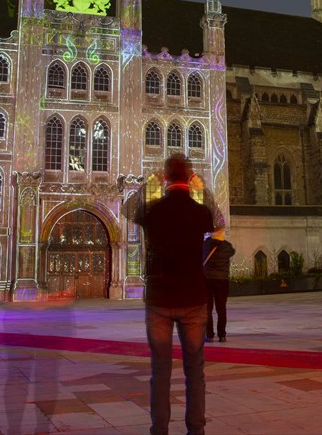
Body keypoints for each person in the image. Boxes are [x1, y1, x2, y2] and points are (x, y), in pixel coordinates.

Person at [133, 154, 215, 435]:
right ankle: (196, 429)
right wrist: (201, 188)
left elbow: (128, 208)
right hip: (193, 297)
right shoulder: (199, 211)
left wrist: (148, 184)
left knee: (160, 372)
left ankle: (160, 430)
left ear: (167, 178)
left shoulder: (152, 211)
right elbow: (218, 218)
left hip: (159, 299)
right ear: (188, 178)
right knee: (195, 371)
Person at [203, 227, 235, 342]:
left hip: (207, 280)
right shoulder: (227, 247)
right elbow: (232, 252)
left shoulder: (206, 245)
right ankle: (222, 334)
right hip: (222, 281)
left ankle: (209, 335)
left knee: (207, 309)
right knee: (221, 308)